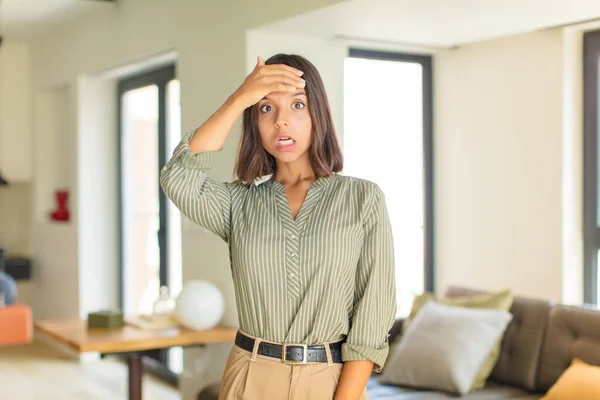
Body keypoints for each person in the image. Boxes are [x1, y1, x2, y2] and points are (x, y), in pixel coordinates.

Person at [160, 54, 396, 400]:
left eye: (297, 105)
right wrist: (241, 97)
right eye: (266, 109)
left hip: (329, 380)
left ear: (319, 115)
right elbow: (179, 177)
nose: (282, 122)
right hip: (250, 375)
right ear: (254, 122)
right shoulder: (238, 204)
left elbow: (373, 314)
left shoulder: (362, 198)